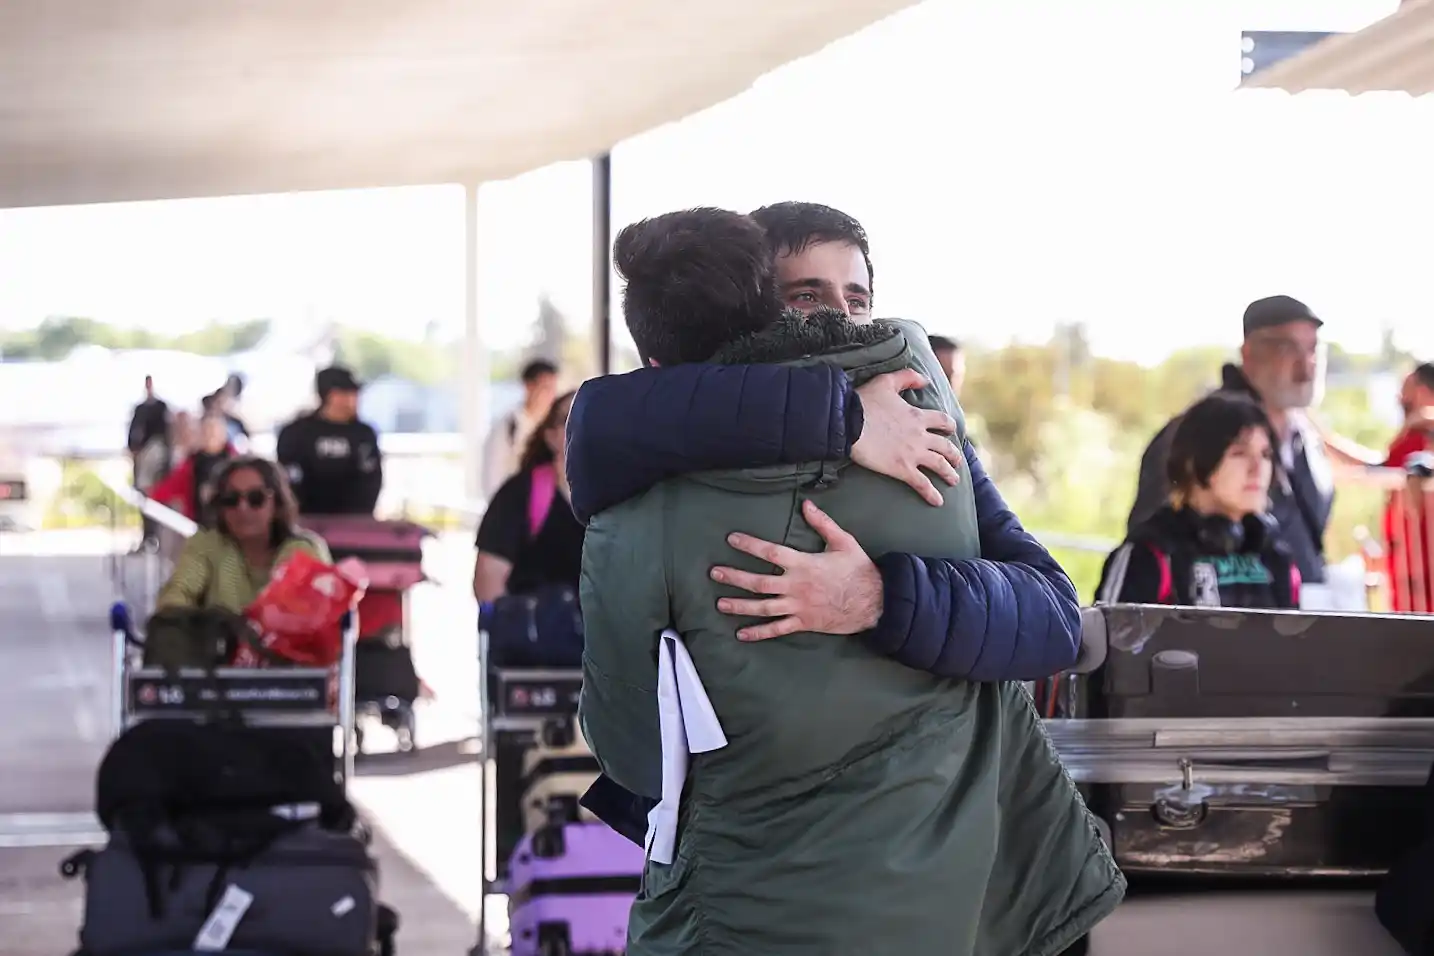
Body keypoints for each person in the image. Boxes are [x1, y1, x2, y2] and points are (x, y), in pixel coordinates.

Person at [574, 207, 1121, 956]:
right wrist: (843, 418)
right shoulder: (661, 445)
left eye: (857, 298)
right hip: (963, 903)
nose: (838, 317)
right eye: (806, 294)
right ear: (751, 303)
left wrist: (883, 597)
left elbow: (1054, 614)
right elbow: (608, 420)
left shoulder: (924, 433)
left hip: (781, 902)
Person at [1129, 294, 1333, 584]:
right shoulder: (1193, 434)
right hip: (1205, 623)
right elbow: (1148, 548)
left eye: (1313, 349)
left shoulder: (1307, 439)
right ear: (1249, 354)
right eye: (1288, 348)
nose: (1306, 365)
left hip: (1296, 618)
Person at [1096, 393, 1298, 608]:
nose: (1258, 469)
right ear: (1193, 462)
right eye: (1239, 453)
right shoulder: (1150, 554)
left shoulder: (1276, 555)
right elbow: (1109, 638)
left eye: (1266, 455)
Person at [156, 456, 329, 613]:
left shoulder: (304, 550)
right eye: (231, 499)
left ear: (277, 504)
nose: (242, 508)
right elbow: (174, 598)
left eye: (256, 498)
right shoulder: (207, 543)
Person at [472, 390, 582, 602]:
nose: (583, 426)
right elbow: (488, 580)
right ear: (550, 436)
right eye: (570, 418)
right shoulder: (519, 493)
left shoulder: (626, 496)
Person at [276, 366, 383, 516]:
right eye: (350, 393)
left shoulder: (364, 434)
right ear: (332, 395)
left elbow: (370, 481)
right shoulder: (296, 433)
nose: (356, 398)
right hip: (306, 521)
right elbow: (288, 478)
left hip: (353, 524)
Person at [482, 358, 559, 499]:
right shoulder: (507, 427)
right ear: (529, 386)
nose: (551, 395)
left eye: (553, 389)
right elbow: (493, 476)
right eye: (546, 388)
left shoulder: (554, 427)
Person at [147, 413, 236, 521]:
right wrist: (150, 494)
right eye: (206, 431)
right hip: (201, 523)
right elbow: (173, 485)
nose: (211, 435)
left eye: (214, 431)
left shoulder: (235, 460)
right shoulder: (193, 462)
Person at [127, 375, 170, 546]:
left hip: (156, 456)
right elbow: (133, 432)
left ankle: (156, 534)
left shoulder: (161, 408)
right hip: (143, 455)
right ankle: (147, 534)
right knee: (143, 494)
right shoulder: (140, 409)